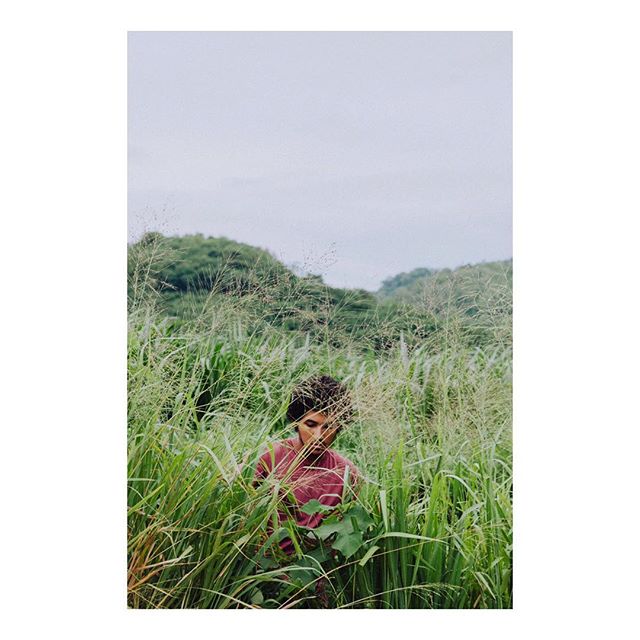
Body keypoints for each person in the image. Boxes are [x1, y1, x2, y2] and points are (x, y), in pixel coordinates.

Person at [254, 374, 360, 556]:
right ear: (296, 423)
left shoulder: (347, 473)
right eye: (311, 424)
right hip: (263, 570)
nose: (319, 436)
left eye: (328, 427)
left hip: (315, 573)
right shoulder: (268, 457)